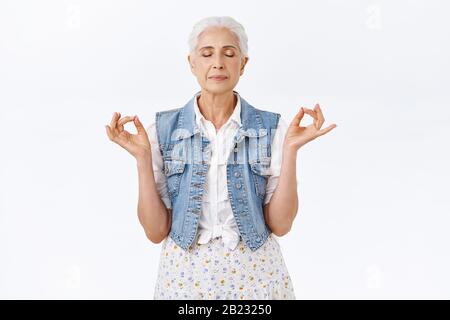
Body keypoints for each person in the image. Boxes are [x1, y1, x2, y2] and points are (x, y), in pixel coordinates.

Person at [105, 16, 337, 300]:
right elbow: (155, 232)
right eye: (207, 54)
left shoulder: (272, 129)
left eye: (229, 53)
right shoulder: (161, 132)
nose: (217, 63)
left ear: (243, 64)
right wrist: (142, 158)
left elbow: (281, 225)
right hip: (183, 281)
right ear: (192, 63)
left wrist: (291, 151)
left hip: (255, 280)